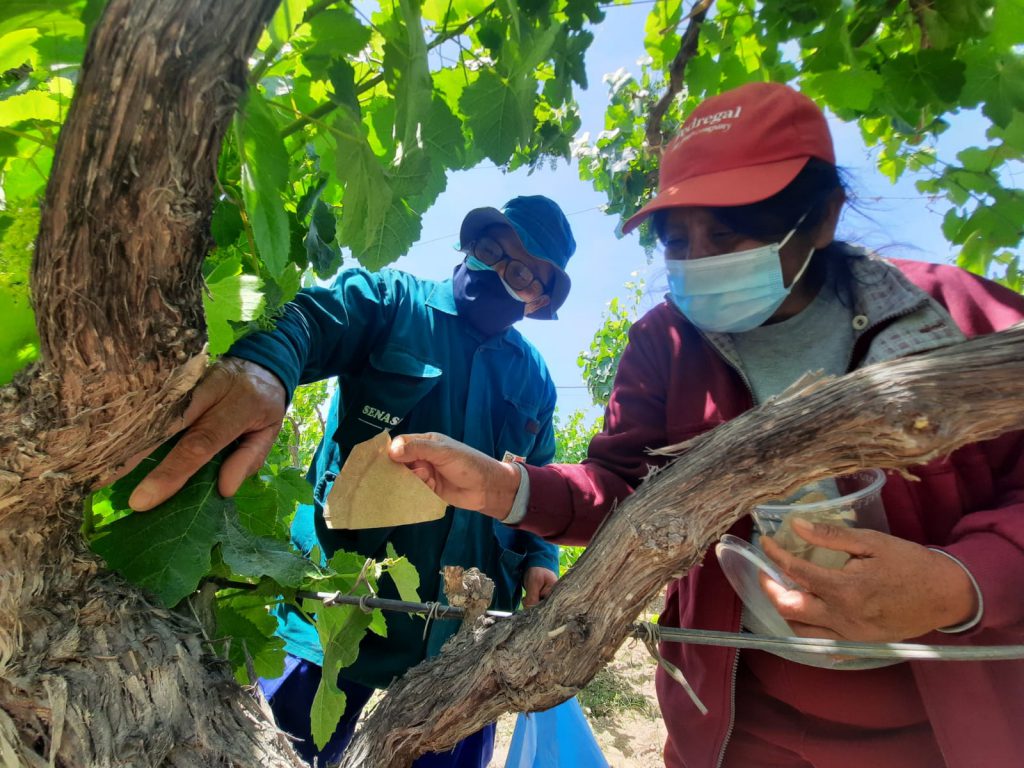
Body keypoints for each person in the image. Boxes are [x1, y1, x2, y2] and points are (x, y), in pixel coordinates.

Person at [388, 82, 1024, 768]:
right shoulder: (664, 346)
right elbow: (626, 495)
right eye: (677, 238)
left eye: (727, 230)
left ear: (821, 217)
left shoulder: (955, 317)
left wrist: (961, 584)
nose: (699, 258)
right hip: (734, 727)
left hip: (949, 729)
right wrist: (503, 486)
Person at [128, 195, 578, 766]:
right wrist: (266, 365)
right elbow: (311, 319)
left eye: (518, 270)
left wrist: (542, 556)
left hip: (461, 636)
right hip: (338, 609)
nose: (493, 270)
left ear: (537, 297)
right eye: (490, 249)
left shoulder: (534, 376)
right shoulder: (393, 303)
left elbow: (539, 477)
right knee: (275, 753)